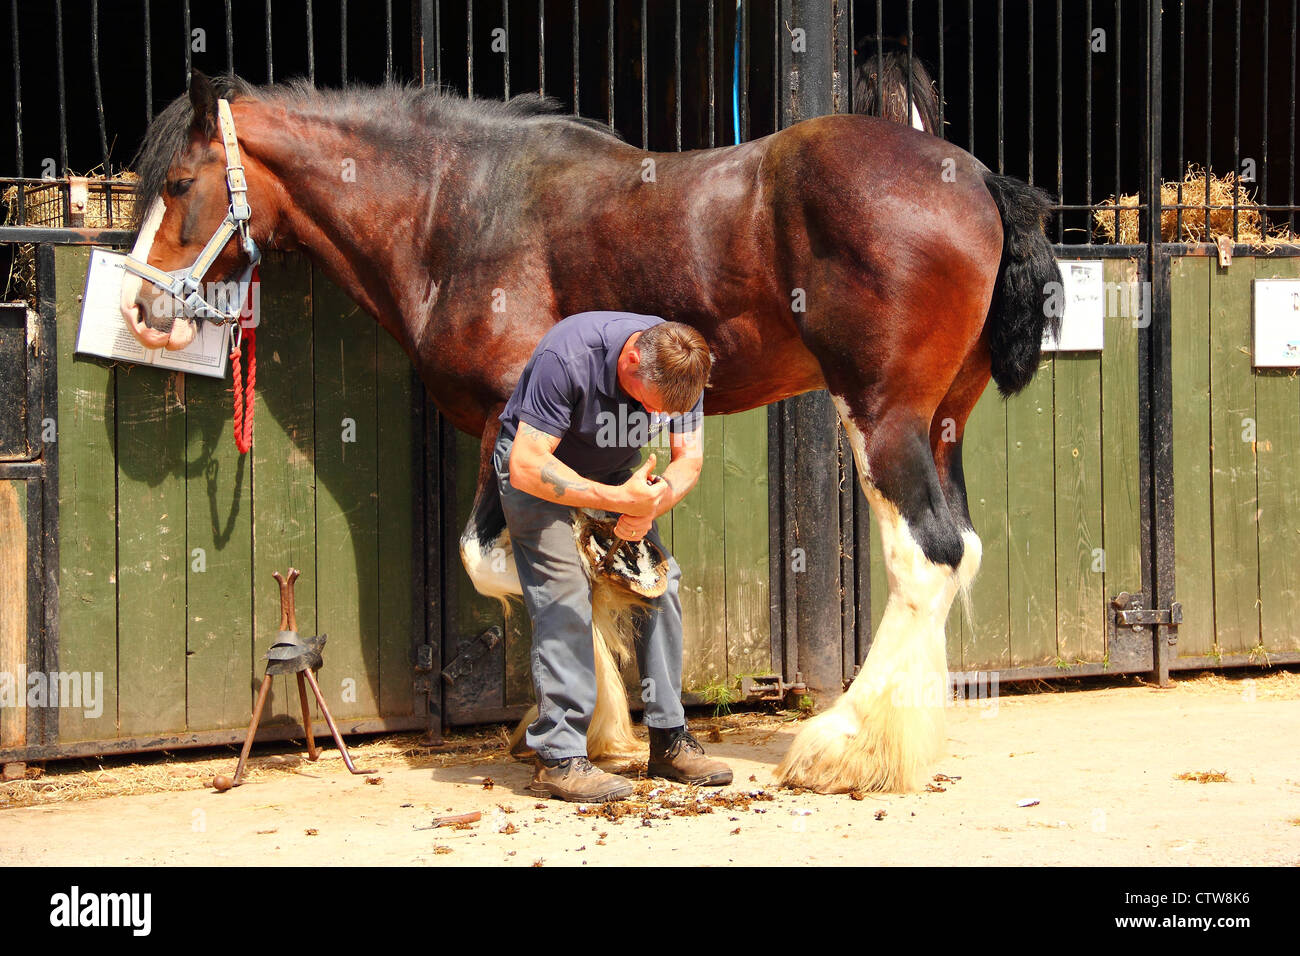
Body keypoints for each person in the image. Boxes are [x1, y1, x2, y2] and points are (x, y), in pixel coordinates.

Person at [494, 311, 733, 802]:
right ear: (629, 361)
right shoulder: (568, 356)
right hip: (541, 479)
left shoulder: (683, 364)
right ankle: (559, 757)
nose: (659, 418)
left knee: (661, 585)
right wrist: (618, 500)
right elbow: (525, 464)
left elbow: (689, 458)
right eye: (651, 406)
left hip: (618, 481)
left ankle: (669, 739)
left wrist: (652, 504)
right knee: (566, 596)